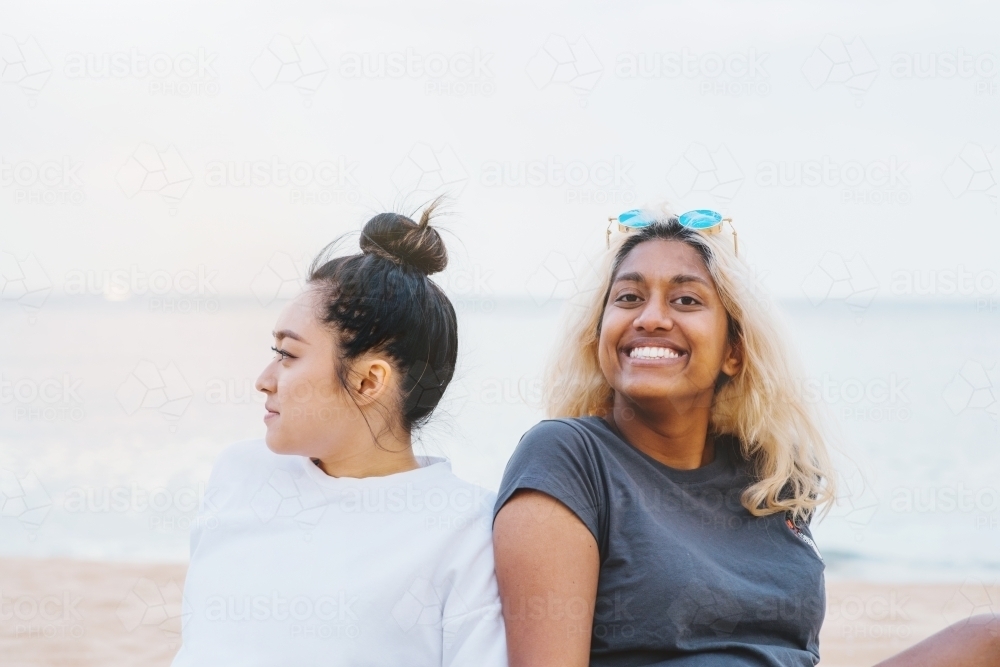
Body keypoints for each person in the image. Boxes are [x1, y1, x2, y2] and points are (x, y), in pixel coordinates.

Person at [492, 202, 1000, 666]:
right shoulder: (568, 456)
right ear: (600, 333)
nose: (650, 318)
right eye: (628, 297)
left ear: (734, 350)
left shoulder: (769, 476)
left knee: (989, 637)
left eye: (686, 299)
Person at [171, 201, 507, 667]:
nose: (264, 378)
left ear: (369, 381)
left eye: (288, 354)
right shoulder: (240, 473)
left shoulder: (466, 528)